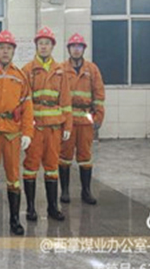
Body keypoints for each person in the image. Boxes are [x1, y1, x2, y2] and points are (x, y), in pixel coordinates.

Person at [0, 30, 32, 236]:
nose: (5, 52)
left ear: (13, 51)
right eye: (2, 48)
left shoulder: (20, 76)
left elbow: (27, 106)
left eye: (9, 48)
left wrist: (27, 132)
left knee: (13, 177)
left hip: (12, 132)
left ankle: (14, 220)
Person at [22, 27, 72, 222]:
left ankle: (53, 207)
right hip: (35, 128)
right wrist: (26, 129)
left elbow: (65, 101)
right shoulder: (27, 70)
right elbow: (24, 102)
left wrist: (68, 126)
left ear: (52, 46)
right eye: (40, 43)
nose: (43, 47)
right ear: (36, 46)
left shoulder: (60, 71)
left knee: (52, 167)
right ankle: (30, 208)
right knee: (31, 166)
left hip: (53, 128)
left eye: (47, 43)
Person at [59, 33, 105, 205]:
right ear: (69, 49)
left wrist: (98, 117)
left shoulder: (92, 69)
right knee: (64, 155)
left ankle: (86, 191)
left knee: (85, 156)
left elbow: (99, 95)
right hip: (68, 118)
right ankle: (64, 191)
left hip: (85, 118)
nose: (76, 49)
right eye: (73, 46)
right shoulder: (61, 69)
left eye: (79, 46)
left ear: (83, 49)